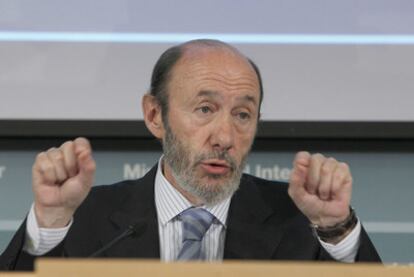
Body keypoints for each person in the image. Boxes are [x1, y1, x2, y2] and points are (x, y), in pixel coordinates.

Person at [0, 39, 380, 271]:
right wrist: (49, 223)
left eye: (243, 115)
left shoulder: (301, 221)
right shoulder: (85, 217)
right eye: (204, 109)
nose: (225, 136)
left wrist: (336, 230)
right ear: (154, 115)